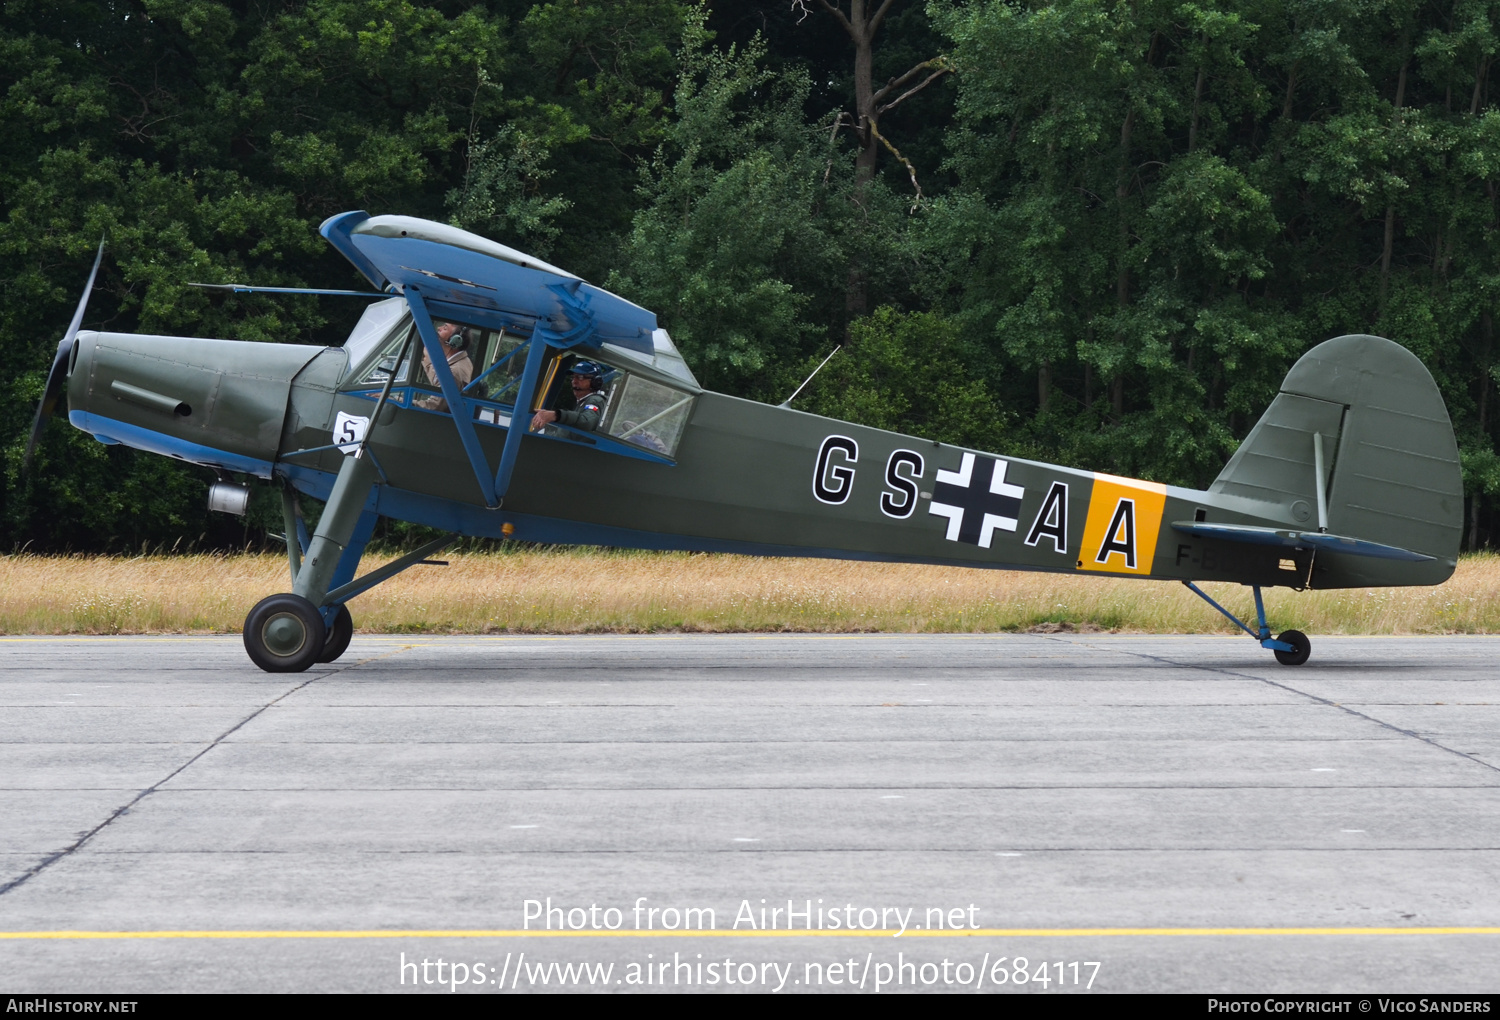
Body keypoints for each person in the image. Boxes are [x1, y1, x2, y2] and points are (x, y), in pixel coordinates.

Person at [531, 361, 608, 432]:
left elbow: (587, 422)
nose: (574, 381)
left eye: (580, 377)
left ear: (595, 382)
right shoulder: (582, 402)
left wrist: (556, 415)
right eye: (573, 377)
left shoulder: (595, 400)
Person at [417, 322, 473, 412]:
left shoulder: (454, 371)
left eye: (445, 328)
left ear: (455, 341)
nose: (439, 328)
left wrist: (398, 400)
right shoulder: (459, 362)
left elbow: (434, 406)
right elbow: (439, 381)